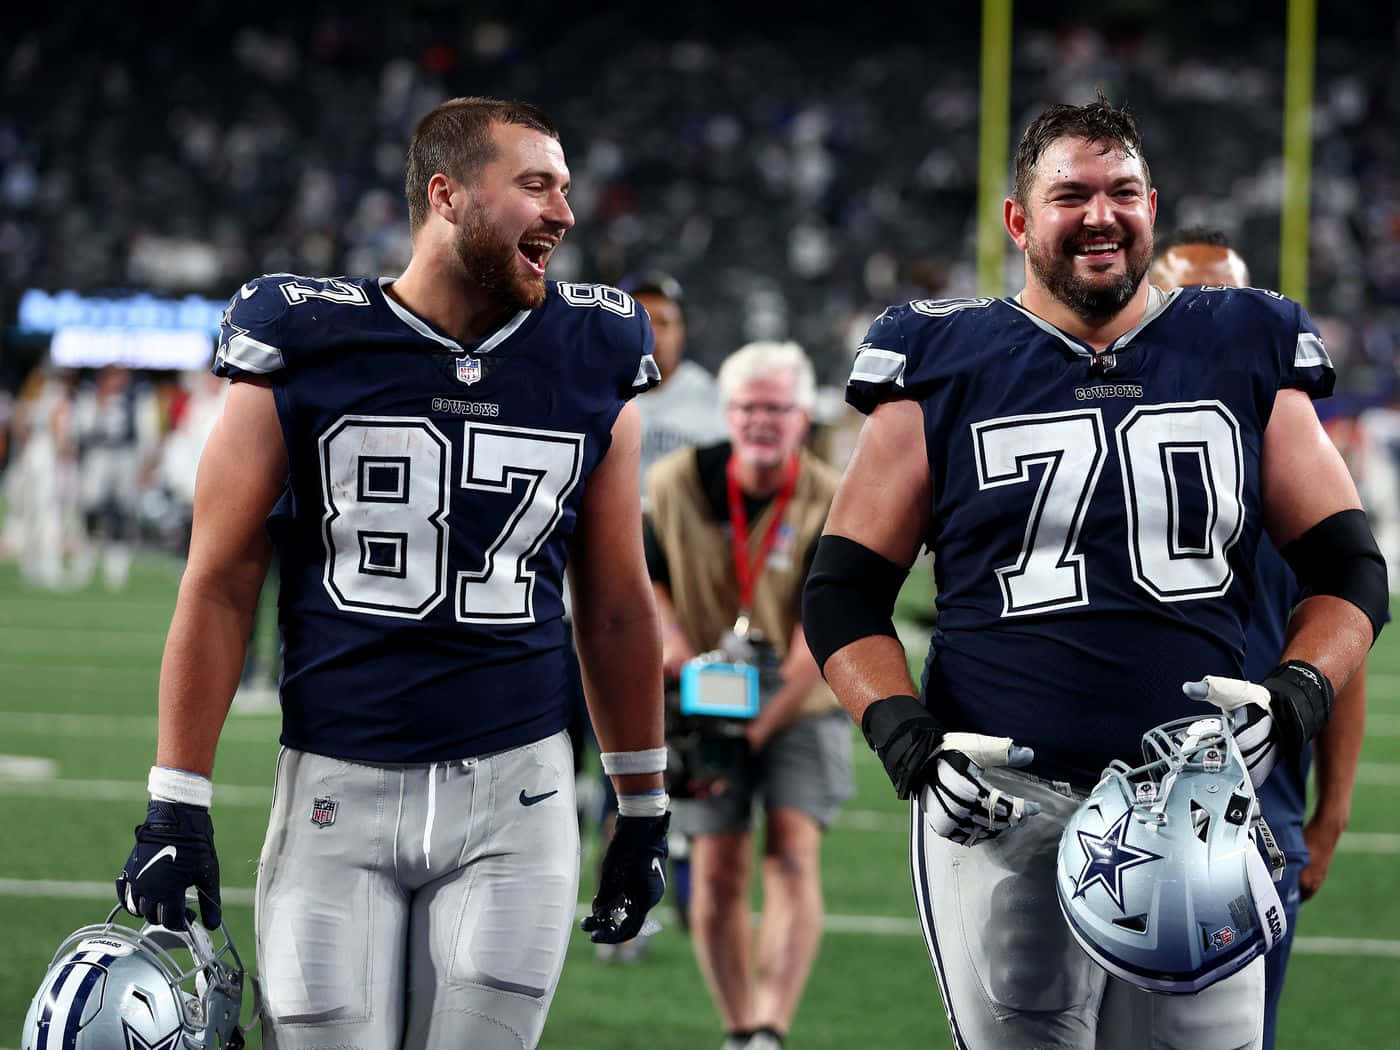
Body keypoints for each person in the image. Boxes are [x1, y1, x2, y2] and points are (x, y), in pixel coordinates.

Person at [803, 94, 1386, 1050]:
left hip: (1193, 799)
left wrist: (1297, 695)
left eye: (1122, 192)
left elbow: (1350, 569)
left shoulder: (1243, 339)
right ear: (1019, 220)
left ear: (1152, 205)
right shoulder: (940, 356)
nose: (1102, 216)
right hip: (1003, 809)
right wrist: (905, 735)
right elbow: (841, 592)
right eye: (1071, 195)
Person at [113, 96, 671, 1050]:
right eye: (536, 184)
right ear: (447, 195)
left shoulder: (597, 348)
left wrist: (643, 804)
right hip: (337, 782)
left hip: (519, 791)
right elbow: (217, 581)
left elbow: (615, 604)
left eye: (567, 188)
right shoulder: (302, 338)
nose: (566, 214)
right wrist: (178, 794)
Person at [1150, 229, 1369, 1050]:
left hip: (1254, 811)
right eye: (1185, 298)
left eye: (1226, 300)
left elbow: (1345, 645)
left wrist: (1331, 817)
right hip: (1112, 798)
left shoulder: (1295, 468)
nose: (1208, 318)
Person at [646, 340, 850, 1050]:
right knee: (719, 862)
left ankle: (773, 1025)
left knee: (793, 848)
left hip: (802, 697)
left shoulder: (831, 495)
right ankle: (740, 1027)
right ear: (726, 413)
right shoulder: (674, 483)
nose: (762, 420)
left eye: (778, 408)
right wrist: (671, 640)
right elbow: (647, 574)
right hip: (702, 699)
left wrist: (758, 727)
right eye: (749, 407)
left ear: (804, 418)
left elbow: (820, 632)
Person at [624, 271, 728, 481]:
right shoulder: (594, 393)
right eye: (641, 319)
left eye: (663, 322)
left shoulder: (713, 396)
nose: (651, 333)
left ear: (682, 332)